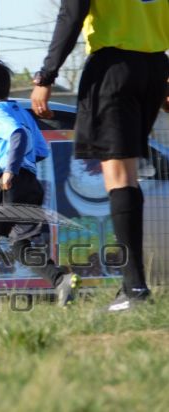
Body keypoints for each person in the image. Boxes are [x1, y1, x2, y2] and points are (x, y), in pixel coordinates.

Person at [30, 0, 169, 311]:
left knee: (120, 177)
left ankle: (135, 290)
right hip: (155, 68)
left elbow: (71, 13)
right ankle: (133, 285)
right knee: (128, 176)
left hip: (113, 69)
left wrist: (46, 75)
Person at [0, 57, 80, 307]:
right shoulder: (20, 111)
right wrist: (21, 166)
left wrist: (10, 169)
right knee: (20, 245)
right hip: (28, 182)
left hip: (1, 182)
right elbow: (40, 150)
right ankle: (60, 279)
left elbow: (16, 135)